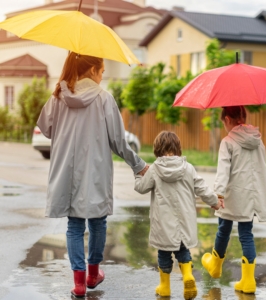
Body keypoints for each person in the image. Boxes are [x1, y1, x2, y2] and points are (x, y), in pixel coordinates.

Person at [37, 52, 148, 298]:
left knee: (74, 225)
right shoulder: (105, 99)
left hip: (67, 171)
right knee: (97, 222)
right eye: (102, 71)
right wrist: (138, 164)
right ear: (92, 70)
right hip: (95, 172)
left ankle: (78, 282)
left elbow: (45, 128)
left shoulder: (58, 96)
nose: (102, 76)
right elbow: (119, 141)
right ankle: (93, 273)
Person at [134, 131, 224, 300]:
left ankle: (165, 287)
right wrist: (215, 202)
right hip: (184, 221)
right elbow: (202, 188)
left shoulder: (154, 170)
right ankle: (188, 276)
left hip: (163, 223)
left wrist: (138, 172)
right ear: (177, 148)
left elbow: (141, 188)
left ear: (157, 149)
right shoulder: (188, 168)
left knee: (164, 253)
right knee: (183, 250)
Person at [201, 106, 266, 294]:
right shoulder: (258, 141)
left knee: (223, 229)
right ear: (244, 116)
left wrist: (217, 195)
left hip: (231, 196)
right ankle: (248, 282)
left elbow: (223, 171)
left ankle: (215, 266)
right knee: (246, 234)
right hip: (250, 197)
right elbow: (260, 169)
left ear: (226, 119)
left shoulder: (228, 142)